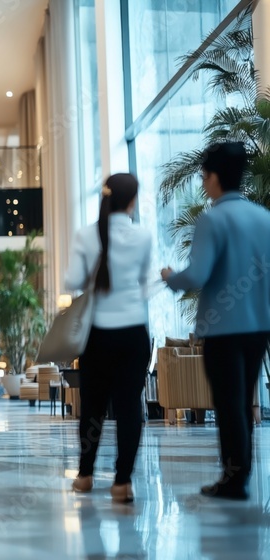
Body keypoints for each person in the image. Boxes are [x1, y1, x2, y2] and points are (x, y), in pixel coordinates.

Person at [161, 142, 270, 500]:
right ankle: (242, 473)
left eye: (205, 177)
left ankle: (232, 479)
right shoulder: (263, 217)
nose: (204, 184)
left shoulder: (212, 219)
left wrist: (170, 276)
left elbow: (197, 275)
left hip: (223, 329)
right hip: (258, 328)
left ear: (215, 178)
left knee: (228, 403)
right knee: (243, 403)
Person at [65, 173, 152, 504]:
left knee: (93, 408)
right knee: (130, 407)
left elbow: (72, 280)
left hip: (97, 335)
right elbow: (143, 284)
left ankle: (85, 476)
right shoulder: (142, 236)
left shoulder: (86, 236)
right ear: (131, 201)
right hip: (134, 333)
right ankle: (121, 483)